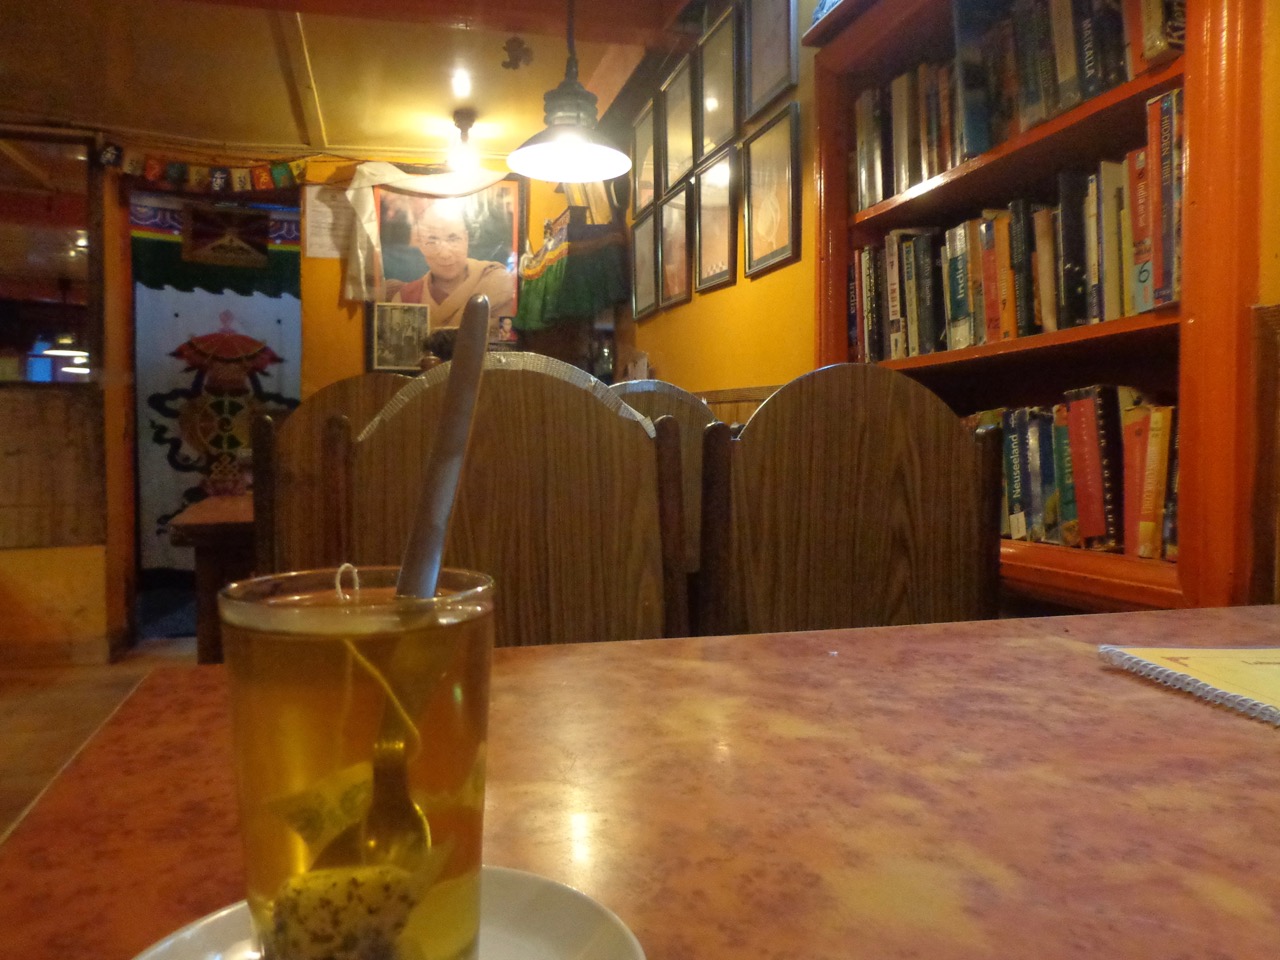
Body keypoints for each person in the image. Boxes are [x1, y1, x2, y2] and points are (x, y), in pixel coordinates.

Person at [391, 199, 516, 328]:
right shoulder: (405, 298)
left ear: (466, 240)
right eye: (432, 241)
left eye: (453, 239)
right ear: (421, 246)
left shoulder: (494, 281)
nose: (445, 254)